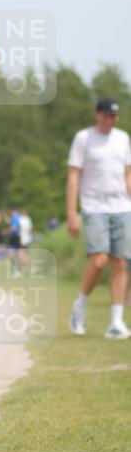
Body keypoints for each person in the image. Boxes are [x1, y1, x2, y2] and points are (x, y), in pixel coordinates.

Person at [67, 97, 131, 339]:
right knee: (99, 260)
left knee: (121, 262)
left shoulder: (123, 138)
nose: (110, 119)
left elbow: (127, 175)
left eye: (114, 115)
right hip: (93, 207)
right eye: (106, 115)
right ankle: (80, 304)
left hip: (122, 206)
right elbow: (73, 176)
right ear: (96, 115)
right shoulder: (84, 138)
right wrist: (72, 213)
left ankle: (116, 322)